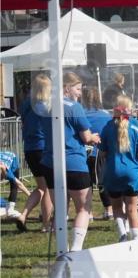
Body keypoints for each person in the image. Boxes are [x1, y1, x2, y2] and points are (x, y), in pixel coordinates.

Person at [40, 72, 101, 252]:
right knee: (83, 206)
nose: (80, 93)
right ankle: (75, 248)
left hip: (51, 163)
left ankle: (62, 249)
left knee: (60, 207)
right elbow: (85, 136)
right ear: (67, 88)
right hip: (73, 162)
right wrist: (94, 138)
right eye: (77, 88)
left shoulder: (46, 106)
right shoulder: (74, 107)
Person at [99, 96, 138, 242]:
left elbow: (102, 152)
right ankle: (136, 238)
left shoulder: (107, 127)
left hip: (113, 171)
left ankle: (123, 236)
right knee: (132, 208)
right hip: (132, 172)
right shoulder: (136, 125)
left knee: (117, 207)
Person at [15, 74, 54, 233]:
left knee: (40, 187)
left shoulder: (25, 104)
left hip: (29, 149)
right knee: (48, 187)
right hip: (43, 147)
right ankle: (46, 224)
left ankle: (23, 215)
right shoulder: (47, 106)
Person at [82, 86, 114, 220]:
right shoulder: (106, 115)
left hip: (84, 153)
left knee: (86, 184)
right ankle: (109, 210)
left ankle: (88, 212)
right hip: (102, 153)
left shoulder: (81, 114)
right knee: (103, 182)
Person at [0, 150, 32, 218]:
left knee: (14, 185)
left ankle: (10, 209)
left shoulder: (8, 173)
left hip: (12, 159)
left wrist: (31, 196)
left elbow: (20, 184)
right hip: (3, 158)